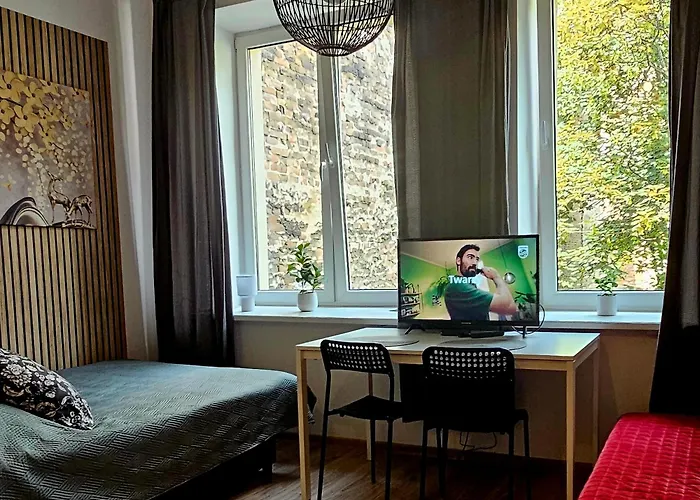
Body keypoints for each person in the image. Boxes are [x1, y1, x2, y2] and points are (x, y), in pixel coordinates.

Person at [444, 243, 518, 321]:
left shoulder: (469, 285)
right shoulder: (458, 286)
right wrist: (496, 277)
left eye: (477, 259)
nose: (475, 263)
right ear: (459, 261)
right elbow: (510, 308)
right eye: (470, 257)